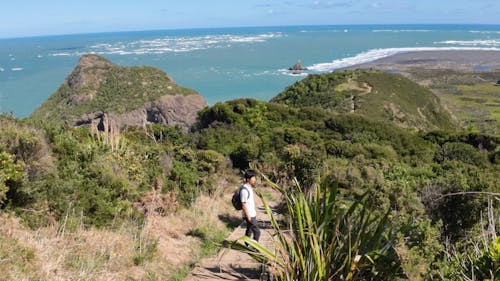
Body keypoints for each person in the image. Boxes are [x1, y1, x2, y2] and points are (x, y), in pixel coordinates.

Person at [240, 169, 260, 242]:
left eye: (255, 177)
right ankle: (255, 247)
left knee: (249, 229)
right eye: (253, 178)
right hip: (249, 215)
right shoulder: (244, 190)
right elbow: (243, 204)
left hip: (252, 213)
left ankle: (247, 243)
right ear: (248, 179)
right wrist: (248, 215)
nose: (255, 179)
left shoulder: (249, 188)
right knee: (257, 232)